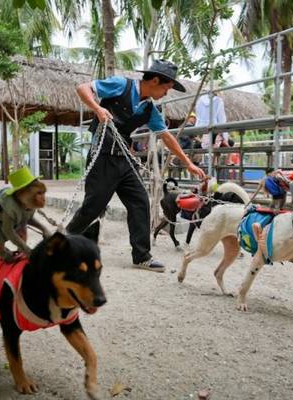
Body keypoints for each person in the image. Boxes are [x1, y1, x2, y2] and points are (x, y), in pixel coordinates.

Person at [67, 59, 206, 272]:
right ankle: (66, 242)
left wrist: (188, 163)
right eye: (166, 88)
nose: (166, 94)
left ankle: (141, 256)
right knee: (94, 205)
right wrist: (97, 109)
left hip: (125, 159)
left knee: (140, 201)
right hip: (102, 156)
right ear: (155, 80)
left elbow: (166, 136)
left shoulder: (149, 109)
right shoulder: (122, 85)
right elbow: (82, 88)